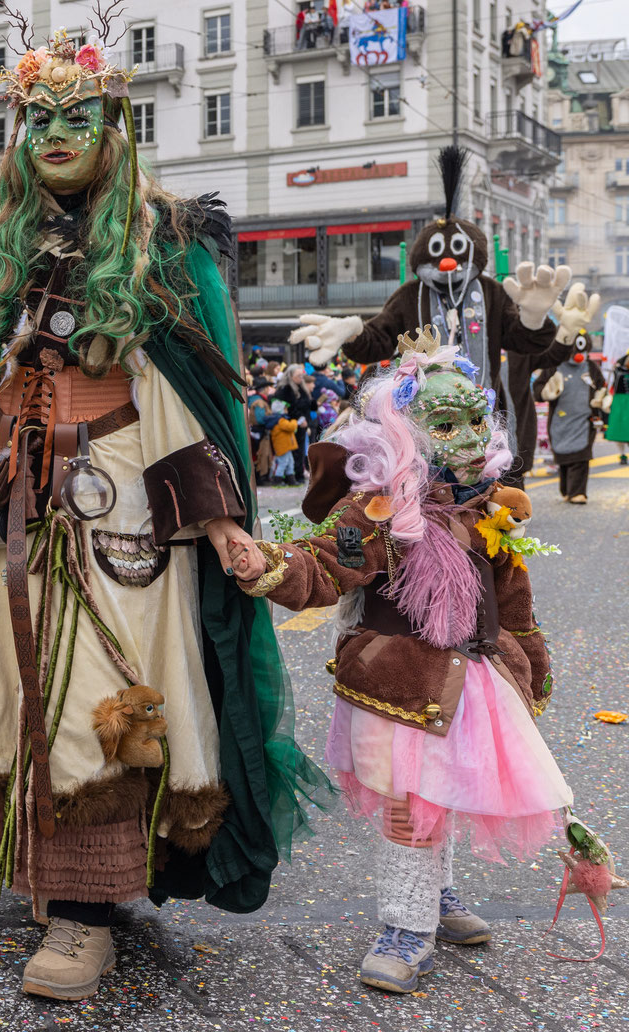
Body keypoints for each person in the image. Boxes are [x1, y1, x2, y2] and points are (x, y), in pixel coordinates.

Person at [0, 24, 325, 1002]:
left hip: (121, 529)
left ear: (116, 125)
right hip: (6, 523)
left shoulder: (163, 246)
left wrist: (221, 524)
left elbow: (187, 403)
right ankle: (50, 878)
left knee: (101, 714)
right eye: (38, 118)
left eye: (77, 116)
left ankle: (84, 915)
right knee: (19, 699)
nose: (56, 134)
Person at [230, 326, 572, 993]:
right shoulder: (379, 510)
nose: (469, 434)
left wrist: (531, 661)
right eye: (447, 422)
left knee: (438, 797)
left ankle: (435, 899)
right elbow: (330, 563)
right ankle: (404, 925)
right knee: (409, 804)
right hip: (398, 685)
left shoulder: (489, 507)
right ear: (404, 432)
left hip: (473, 681)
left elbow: (514, 596)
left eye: (476, 418)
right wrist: (273, 566)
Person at [290, 146, 581, 488]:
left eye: (456, 253)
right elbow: (378, 340)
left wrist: (534, 316)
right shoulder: (411, 295)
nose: (447, 262)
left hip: (486, 412)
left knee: (496, 500)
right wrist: (353, 332)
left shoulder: (490, 292)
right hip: (425, 423)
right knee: (434, 501)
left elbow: (524, 340)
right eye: (438, 254)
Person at [534, 328, 606, 503]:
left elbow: (601, 385)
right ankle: (567, 490)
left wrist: (601, 399)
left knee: (581, 456)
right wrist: (547, 392)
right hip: (559, 420)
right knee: (563, 453)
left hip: (584, 420)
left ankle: (577, 492)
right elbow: (538, 389)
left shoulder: (590, 366)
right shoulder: (554, 365)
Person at [274, 364, 314, 482]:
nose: (301, 378)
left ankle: (297, 474)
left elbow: (307, 404)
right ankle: (291, 475)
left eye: (302, 375)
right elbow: (289, 408)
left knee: (300, 450)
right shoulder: (286, 389)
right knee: (292, 451)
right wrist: (299, 418)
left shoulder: (301, 388)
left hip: (302, 423)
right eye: (298, 375)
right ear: (290, 376)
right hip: (291, 424)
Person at [604, 348, 629, 465]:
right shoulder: (618, 370)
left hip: (622, 402)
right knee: (620, 430)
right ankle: (622, 454)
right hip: (620, 402)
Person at [247, 376, 274, 484]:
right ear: (265, 388)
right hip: (260, 431)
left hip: (256, 431)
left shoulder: (256, 399)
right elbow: (260, 419)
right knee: (261, 454)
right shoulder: (259, 402)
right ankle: (260, 478)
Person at [269, 399, 298, 485]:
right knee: (283, 463)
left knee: (290, 462)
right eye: (285, 409)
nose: (287, 410)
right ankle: (277, 480)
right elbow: (291, 427)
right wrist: (295, 421)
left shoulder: (279, 420)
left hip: (285, 447)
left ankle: (291, 480)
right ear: (280, 410)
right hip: (283, 447)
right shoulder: (280, 420)